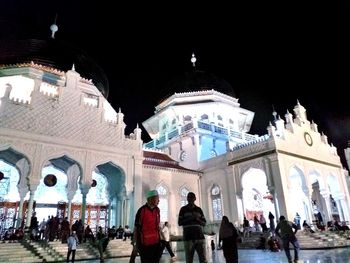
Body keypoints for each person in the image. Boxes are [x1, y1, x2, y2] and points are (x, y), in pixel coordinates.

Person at [134, 189, 163, 263]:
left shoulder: (157, 210)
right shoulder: (141, 210)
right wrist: (136, 244)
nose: (159, 200)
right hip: (145, 244)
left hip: (156, 243)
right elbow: (136, 228)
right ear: (150, 199)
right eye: (157, 198)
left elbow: (157, 226)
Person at [178, 192, 208, 263]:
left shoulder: (199, 209)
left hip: (200, 237)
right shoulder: (183, 209)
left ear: (195, 198)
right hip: (188, 238)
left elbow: (204, 223)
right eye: (189, 197)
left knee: (203, 259)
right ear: (187, 199)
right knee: (189, 260)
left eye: (192, 197)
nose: (190, 199)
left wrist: (197, 219)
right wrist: (191, 218)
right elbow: (180, 223)